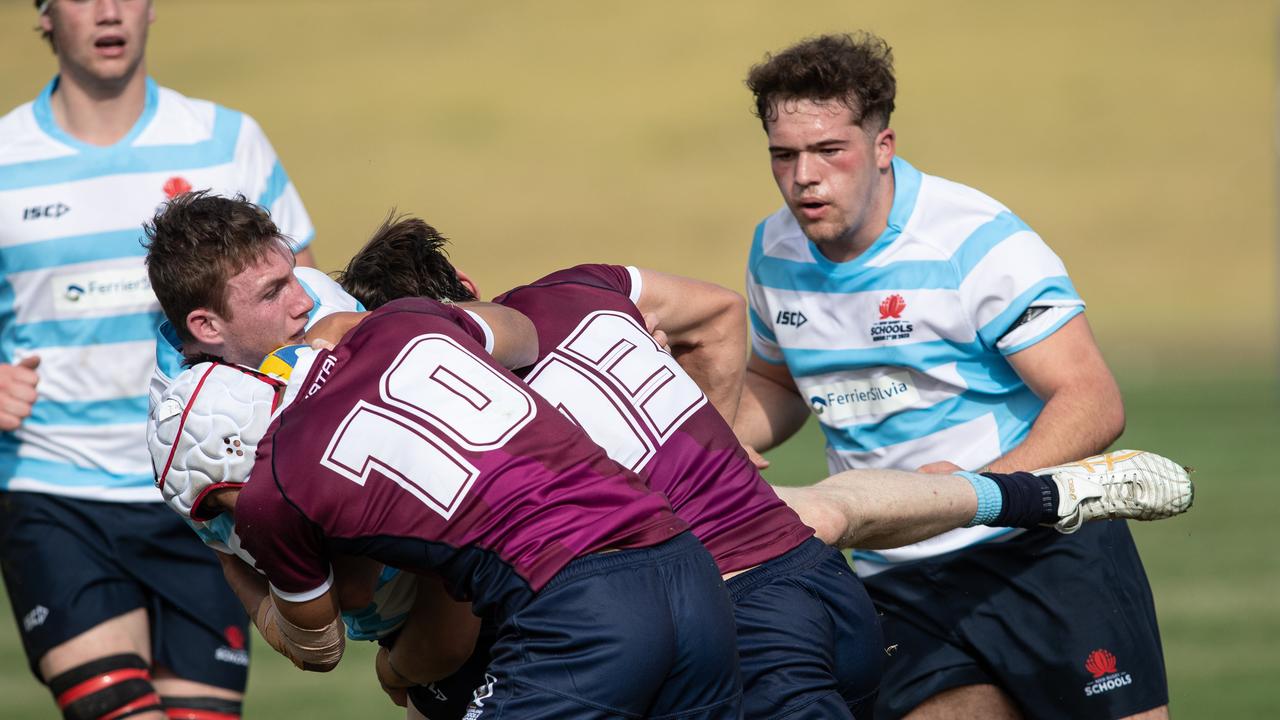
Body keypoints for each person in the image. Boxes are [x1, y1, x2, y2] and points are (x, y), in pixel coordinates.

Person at [332, 216, 1192, 720]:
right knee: (815, 510)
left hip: (736, 615)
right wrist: (719, 438)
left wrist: (395, 665)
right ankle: (1034, 492)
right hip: (818, 581)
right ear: (469, 282)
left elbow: (448, 630)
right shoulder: (581, 290)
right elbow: (716, 309)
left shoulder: (446, 421)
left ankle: (1035, 492)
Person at [735, 33, 1171, 720]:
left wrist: (975, 493)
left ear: (883, 147)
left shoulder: (975, 240)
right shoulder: (774, 251)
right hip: (895, 573)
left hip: (1038, 553)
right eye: (783, 156)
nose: (804, 178)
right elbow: (779, 380)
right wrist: (721, 438)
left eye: (829, 151)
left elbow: (1092, 399)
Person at [152, 309, 746, 719]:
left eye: (218, 510)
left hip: (577, 605)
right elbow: (521, 333)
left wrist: (223, 554)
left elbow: (318, 646)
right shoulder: (391, 328)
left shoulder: (270, 495)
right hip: (686, 566)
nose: (233, 523)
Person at [0, 1, 314, 717]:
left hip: (205, 496)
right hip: (57, 490)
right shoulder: (5, 157)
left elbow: (302, 300)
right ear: (44, 15)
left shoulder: (226, 140)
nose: (108, 11)